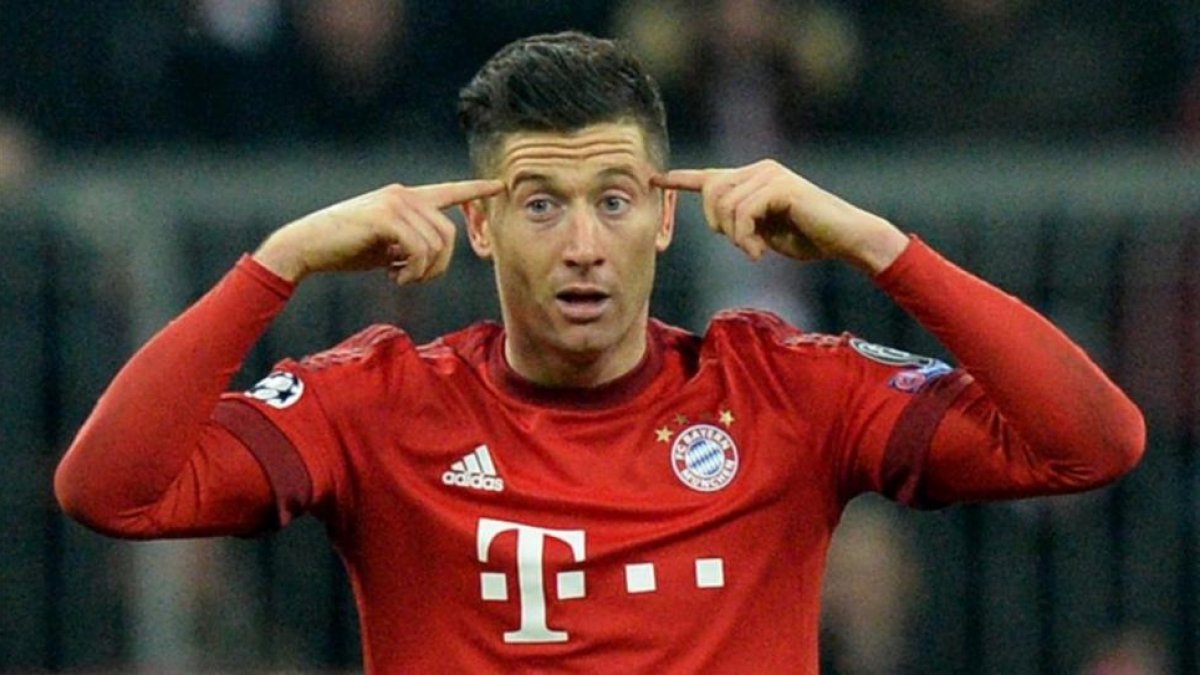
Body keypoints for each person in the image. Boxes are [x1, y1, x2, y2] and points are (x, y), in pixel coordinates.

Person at [54, 31, 1145, 673]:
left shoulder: (782, 391)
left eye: (614, 199)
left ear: (664, 217)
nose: (582, 244)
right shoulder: (379, 402)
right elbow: (111, 490)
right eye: (540, 203)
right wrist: (278, 262)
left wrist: (879, 245)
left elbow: (1091, 442)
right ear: (482, 224)